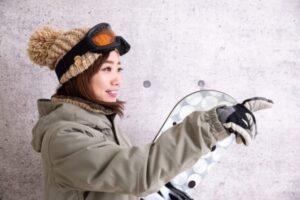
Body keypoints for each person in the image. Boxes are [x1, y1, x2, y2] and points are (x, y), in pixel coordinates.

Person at [27, 22, 273, 200]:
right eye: (106, 69)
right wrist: (210, 125)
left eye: (118, 69)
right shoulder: (64, 138)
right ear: (78, 76)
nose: (117, 80)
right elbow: (137, 173)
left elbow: (119, 185)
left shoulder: (99, 126)